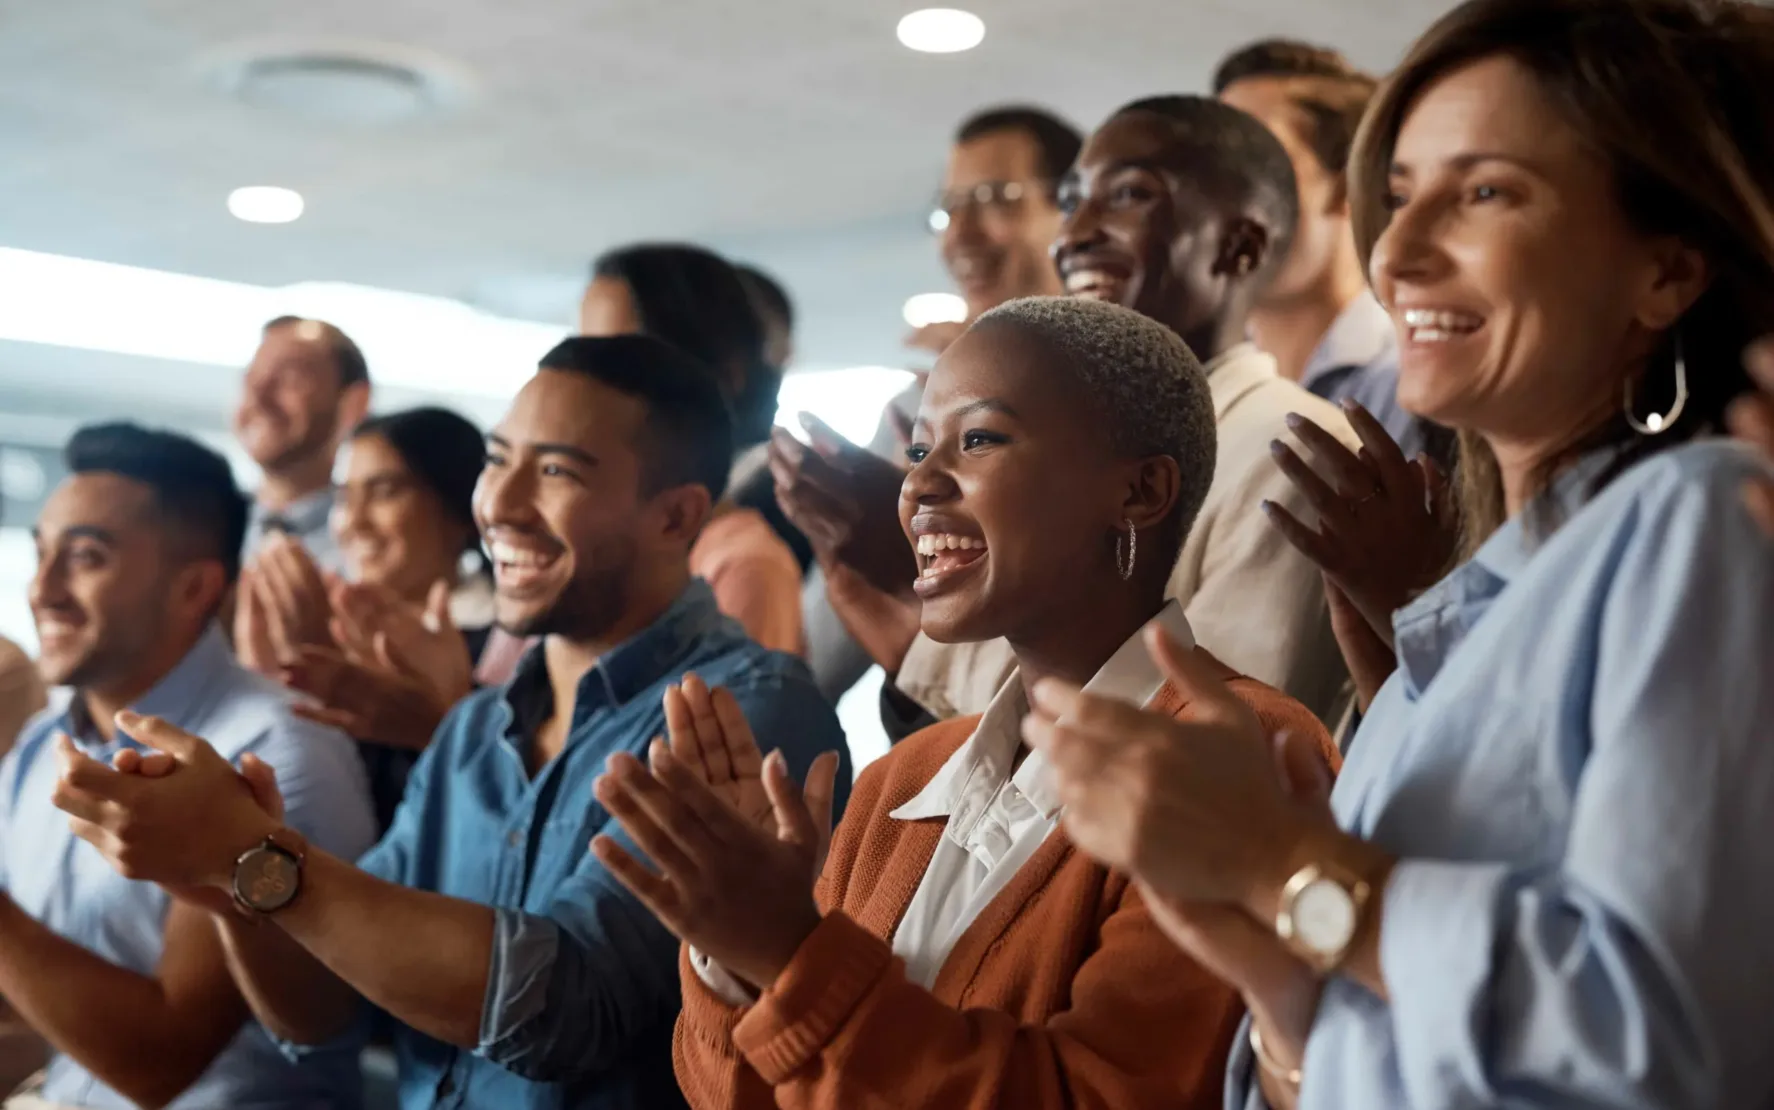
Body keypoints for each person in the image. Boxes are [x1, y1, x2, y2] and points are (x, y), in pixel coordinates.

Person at [1026, 3, 1774, 1108]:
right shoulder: (1445, 637)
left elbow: (1659, 1046)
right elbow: (1321, 1064)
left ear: (1665, 272)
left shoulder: (1701, 516)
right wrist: (1267, 958)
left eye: (1483, 192)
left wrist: (1278, 863)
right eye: (1397, 195)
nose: (1399, 254)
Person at [54, 336, 853, 1110]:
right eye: (499, 460)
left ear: (676, 519)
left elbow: (567, 1011)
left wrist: (253, 852)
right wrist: (233, 881)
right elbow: (331, 1011)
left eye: (555, 472)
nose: (498, 506)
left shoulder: (747, 709)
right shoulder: (475, 728)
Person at [593, 297, 1336, 1110]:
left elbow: (1100, 1096)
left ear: (1141, 491)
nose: (917, 484)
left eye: (979, 438)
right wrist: (735, 948)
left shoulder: (1239, 753)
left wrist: (793, 954)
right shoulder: (900, 784)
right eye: (918, 448)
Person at [892, 96, 1360, 730]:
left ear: (1240, 247)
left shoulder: (1296, 449)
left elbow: (1215, 732)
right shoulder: (899, 782)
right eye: (1069, 202)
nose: (1075, 233)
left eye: (1129, 196)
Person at [0, 423, 374, 1109]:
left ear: (194, 587)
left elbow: (163, 1061)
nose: (42, 590)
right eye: (40, 553)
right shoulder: (42, 742)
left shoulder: (274, 749)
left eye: (85, 558)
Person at [781, 106, 1084, 702]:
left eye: (996, 198)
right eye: (950, 207)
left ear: (1071, 210)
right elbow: (816, 659)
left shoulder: (1130, 407)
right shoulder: (909, 411)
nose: (960, 235)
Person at [244, 407, 495, 831]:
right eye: (343, 496)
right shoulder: (327, 623)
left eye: (384, 492)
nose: (353, 522)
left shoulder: (509, 647)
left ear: (459, 508)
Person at [1214, 40, 1448, 464]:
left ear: (1350, 186)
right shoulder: (1199, 385)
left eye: (1254, 163)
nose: (1213, 196)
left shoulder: (1412, 383)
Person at [582, 244, 805, 655]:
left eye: (618, 357)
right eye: (579, 351)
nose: (578, 382)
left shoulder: (744, 562)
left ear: (713, 374)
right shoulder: (597, 535)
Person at [234, 316, 372, 573]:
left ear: (355, 402)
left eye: (290, 379)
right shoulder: (196, 524)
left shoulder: (375, 545)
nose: (258, 397)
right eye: (251, 378)